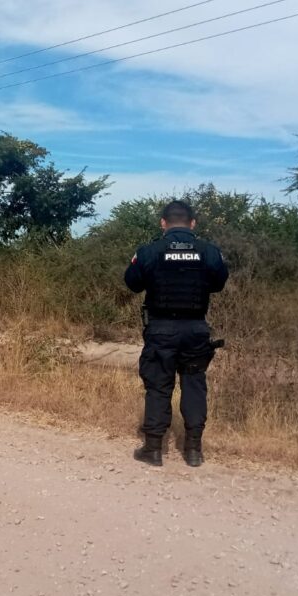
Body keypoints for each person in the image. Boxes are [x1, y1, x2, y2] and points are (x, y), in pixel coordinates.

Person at [124, 200, 228, 467]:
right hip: (195, 329)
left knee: (158, 386)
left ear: (163, 223)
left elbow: (132, 283)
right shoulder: (209, 251)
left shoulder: (149, 251)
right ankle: (193, 451)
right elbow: (218, 283)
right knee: (194, 385)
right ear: (192, 223)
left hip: (161, 329)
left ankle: (154, 449)